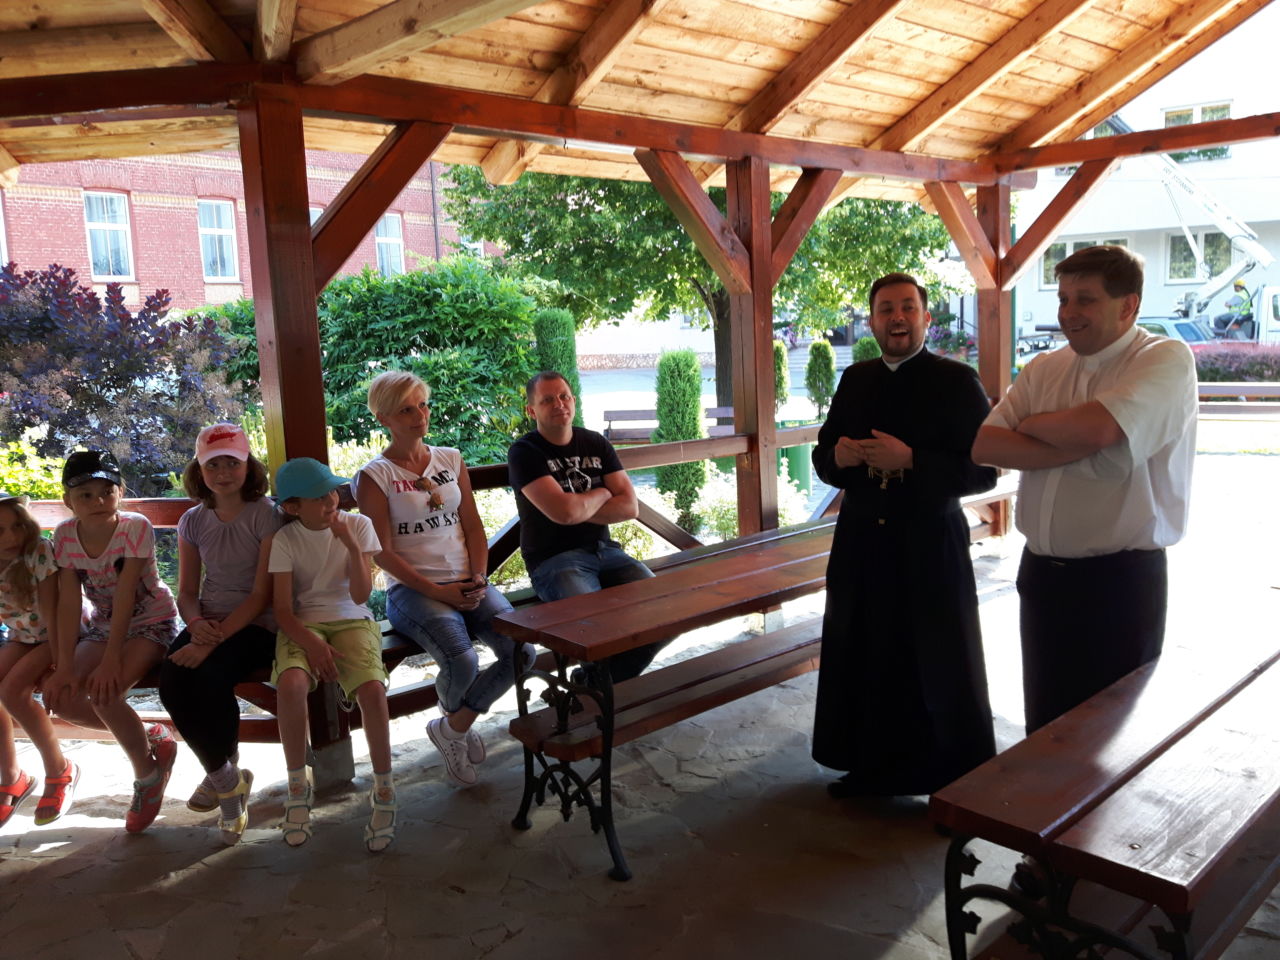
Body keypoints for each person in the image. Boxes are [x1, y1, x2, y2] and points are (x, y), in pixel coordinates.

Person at [972, 245, 1197, 734]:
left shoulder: (1164, 359)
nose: (1068, 312)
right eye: (1063, 299)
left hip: (1118, 583)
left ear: (1128, 305)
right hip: (1042, 576)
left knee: (1111, 739)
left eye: (1085, 299)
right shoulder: (1045, 368)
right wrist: (1074, 441)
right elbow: (986, 445)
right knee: (1045, 728)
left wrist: (1031, 426)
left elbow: (1099, 430)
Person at [812, 272, 998, 798]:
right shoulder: (856, 379)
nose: (897, 318)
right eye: (886, 309)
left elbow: (985, 471)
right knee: (866, 653)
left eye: (907, 307)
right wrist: (838, 457)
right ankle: (869, 770)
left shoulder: (957, 381)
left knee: (935, 659)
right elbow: (823, 458)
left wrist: (912, 460)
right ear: (871, 322)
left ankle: (950, 785)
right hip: (862, 544)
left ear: (925, 318)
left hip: (928, 545)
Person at [356, 371, 531, 789]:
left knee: (521, 651)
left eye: (423, 405)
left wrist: (479, 577)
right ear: (384, 418)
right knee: (461, 660)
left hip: (468, 580)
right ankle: (458, 723)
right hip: (414, 591)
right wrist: (439, 591)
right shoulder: (374, 476)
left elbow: (472, 526)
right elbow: (380, 551)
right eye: (406, 410)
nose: (420, 415)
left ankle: (452, 726)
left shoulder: (450, 459)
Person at [158, 423, 280, 845]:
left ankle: (225, 788)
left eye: (232, 462)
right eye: (213, 465)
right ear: (199, 470)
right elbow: (187, 592)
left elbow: (262, 594)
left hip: (257, 623)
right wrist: (196, 627)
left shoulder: (266, 514)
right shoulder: (192, 520)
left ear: (249, 466)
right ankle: (227, 777)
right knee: (172, 681)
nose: (223, 473)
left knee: (210, 678)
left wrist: (213, 639)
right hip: (207, 621)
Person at [47, 451, 180, 833]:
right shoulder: (64, 535)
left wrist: (110, 662)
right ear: (68, 500)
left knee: (104, 693)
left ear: (120, 492)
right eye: (85, 494)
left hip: (151, 622)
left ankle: (147, 776)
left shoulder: (134, 526)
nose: (98, 501)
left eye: (107, 491)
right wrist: (64, 665)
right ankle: (151, 734)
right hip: (103, 626)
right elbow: (69, 601)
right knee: (63, 699)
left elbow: (126, 594)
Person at [269, 457, 395, 852]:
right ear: (293, 507)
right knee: (291, 684)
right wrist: (313, 644)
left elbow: (361, 595)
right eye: (319, 498)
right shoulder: (285, 539)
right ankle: (297, 788)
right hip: (303, 623)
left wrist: (352, 545)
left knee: (372, 688)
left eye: (332, 492)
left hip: (352, 617)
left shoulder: (358, 525)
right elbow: (283, 611)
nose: (331, 501)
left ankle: (384, 789)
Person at [507, 371, 662, 683]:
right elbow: (564, 513)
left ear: (573, 401)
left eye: (564, 396)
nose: (559, 404)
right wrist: (602, 493)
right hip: (555, 562)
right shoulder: (525, 452)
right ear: (531, 410)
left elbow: (629, 507)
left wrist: (577, 507)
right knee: (595, 630)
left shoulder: (595, 442)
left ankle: (592, 685)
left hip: (607, 553)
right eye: (547, 400)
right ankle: (600, 689)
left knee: (664, 614)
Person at [0, 491, 76, 826]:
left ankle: (59, 770)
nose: (11, 538)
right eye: (0, 531)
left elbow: (54, 612)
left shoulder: (38, 551)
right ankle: (11, 776)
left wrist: (61, 662)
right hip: (22, 638)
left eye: (17, 526)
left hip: (58, 634)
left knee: (12, 691)